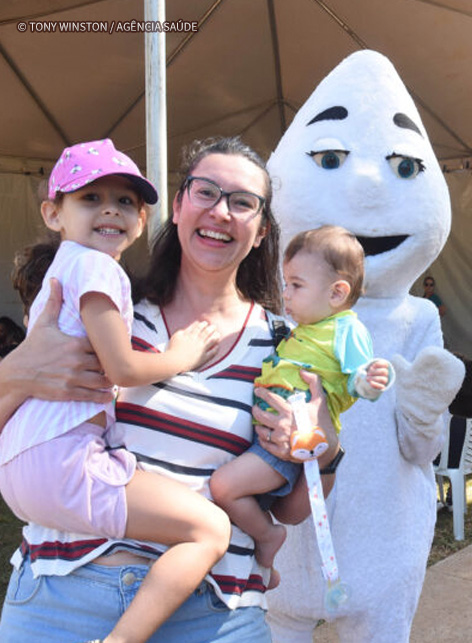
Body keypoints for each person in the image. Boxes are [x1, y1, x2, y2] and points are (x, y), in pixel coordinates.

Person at [0, 136, 340, 642]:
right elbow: (21, 427)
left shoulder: (285, 349)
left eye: (242, 202)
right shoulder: (104, 309)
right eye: (205, 192)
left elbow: (289, 508)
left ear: (261, 229)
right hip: (61, 600)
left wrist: (325, 447)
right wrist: (14, 373)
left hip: (212, 614)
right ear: (177, 207)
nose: (221, 212)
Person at [210, 225, 392, 570]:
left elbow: (360, 379)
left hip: (285, 443)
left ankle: (266, 537)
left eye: (296, 285)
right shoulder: (303, 331)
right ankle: (260, 569)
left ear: (337, 293)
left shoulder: (345, 328)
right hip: (269, 439)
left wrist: (373, 379)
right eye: (285, 283)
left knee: (223, 486)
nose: (286, 293)